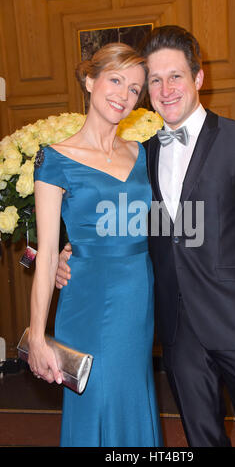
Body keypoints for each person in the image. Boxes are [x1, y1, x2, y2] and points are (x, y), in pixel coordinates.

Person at [56, 26, 235, 447]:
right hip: (178, 330)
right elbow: (123, 224)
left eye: (176, 76)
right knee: (200, 440)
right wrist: (68, 252)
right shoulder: (140, 155)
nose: (165, 89)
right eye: (154, 80)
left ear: (198, 78)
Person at [28, 42, 163, 447]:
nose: (124, 95)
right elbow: (46, 252)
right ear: (89, 80)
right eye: (116, 80)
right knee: (96, 398)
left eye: (135, 88)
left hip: (138, 293)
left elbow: (160, 225)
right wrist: (37, 335)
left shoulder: (143, 154)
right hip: (87, 298)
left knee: (132, 391)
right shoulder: (54, 158)